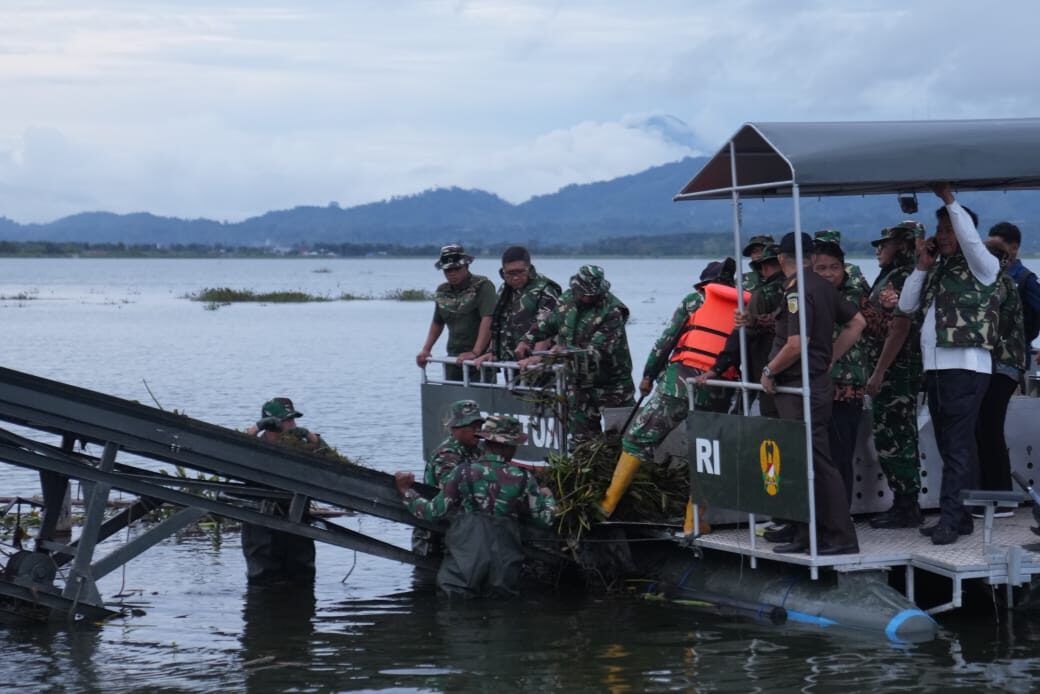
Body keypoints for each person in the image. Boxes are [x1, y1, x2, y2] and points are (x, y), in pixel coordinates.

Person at [599, 258, 745, 529]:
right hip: (718, 390)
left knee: (638, 440)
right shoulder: (744, 308)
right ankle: (695, 522)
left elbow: (664, 341)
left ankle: (606, 506)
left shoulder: (694, 301)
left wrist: (647, 376)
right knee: (706, 453)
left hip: (677, 385)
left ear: (705, 285)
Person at [898, 184, 1000, 546]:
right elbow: (907, 307)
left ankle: (951, 520)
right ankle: (962, 517)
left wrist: (950, 202)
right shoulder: (939, 270)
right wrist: (921, 268)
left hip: (966, 367)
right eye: (938, 230)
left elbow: (972, 243)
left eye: (948, 230)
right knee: (948, 445)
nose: (941, 237)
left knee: (956, 445)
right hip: (938, 369)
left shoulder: (984, 265)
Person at [761, 232, 865, 555]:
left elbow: (796, 343)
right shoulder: (822, 286)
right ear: (809, 255)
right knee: (800, 461)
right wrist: (830, 355)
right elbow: (857, 322)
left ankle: (841, 536)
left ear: (781, 259)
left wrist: (769, 370)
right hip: (813, 382)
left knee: (818, 463)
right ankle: (806, 534)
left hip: (798, 387)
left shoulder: (797, 291)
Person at [395, 415, 557, 599]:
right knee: (501, 614)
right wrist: (549, 498)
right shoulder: (524, 478)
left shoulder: (463, 472)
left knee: (456, 615)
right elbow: (545, 521)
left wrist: (406, 491)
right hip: (502, 573)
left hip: (462, 571)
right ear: (509, 447)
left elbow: (432, 512)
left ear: (485, 442)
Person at [514, 265, 636, 446]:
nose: (586, 298)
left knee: (621, 440)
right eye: (583, 293)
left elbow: (597, 351)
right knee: (582, 442)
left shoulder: (613, 311)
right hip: (578, 385)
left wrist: (554, 354)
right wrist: (528, 340)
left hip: (612, 385)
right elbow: (549, 324)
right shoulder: (566, 300)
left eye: (591, 295)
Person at [862, 221, 926, 530]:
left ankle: (906, 504)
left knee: (895, 436)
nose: (878, 250)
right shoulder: (894, 275)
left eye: (884, 244)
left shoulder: (902, 277)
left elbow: (900, 328)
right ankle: (904, 502)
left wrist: (879, 371)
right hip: (894, 368)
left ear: (901, 245)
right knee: (895, 434)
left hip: (897, 370)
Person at [811, 233, 873, 505]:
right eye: (821, 268)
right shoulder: (806, 294)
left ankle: (840, 519)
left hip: (847, 389)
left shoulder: (857, 295)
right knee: (813, 458)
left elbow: (877, 327)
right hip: (814, 389)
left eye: (833, 267)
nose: (828, 274)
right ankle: (815, 519)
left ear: (843, 267)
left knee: (840, 456)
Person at [241, 397, 327, 582]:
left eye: (293, 420)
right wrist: (257, 427)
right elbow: (234, 451)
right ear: (273, 423)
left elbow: (329, 458)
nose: (293, 425)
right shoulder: (254, 447)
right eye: (288, 421)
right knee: (262, 578)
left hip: (295, 520)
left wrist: (311, 436)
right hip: (260, 525)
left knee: (303, 574)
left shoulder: (299, 448)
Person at [699, 244, 785, 418]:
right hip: (801, 371)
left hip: (767, 369)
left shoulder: (763, 294)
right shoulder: (801, 289)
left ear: (764, 268)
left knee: (773, 421)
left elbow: (744, 334)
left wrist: (717, 368)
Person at [974, 238, 1025, 498]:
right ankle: (990, 492)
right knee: (985, 428)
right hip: (999, 365)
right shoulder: (1002, 281)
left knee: (990, 428)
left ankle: (1000, 496)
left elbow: (992, 326)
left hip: (1002, 366)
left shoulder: (999, 284)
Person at [412, 399, 485, 557]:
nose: (477, 431)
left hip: (459, 530)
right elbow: (453, 491)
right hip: (434, 535)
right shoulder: (447, 455)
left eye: (479, 426)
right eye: (472, 427)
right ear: (456, 428)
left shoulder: (477, 450)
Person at [416, 244, 497, 382]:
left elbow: (488, 319)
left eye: (456, 269)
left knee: (480, 399)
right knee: (452, 399)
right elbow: (438, 321)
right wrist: (426, 349)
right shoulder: (443, 291)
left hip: (480, 361)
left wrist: (475, 352)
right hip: (454, 358)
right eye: (447, 270)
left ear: (466, 266)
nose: (452, 274)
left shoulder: (483, 286)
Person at [476, 246, 562, 366]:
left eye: (520, 272)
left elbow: (547, 326)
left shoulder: (545, 289)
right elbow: (498, 324)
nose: (515, 277)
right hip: (511, 361)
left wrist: (536, 357)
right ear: (503, 272)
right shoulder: (504, 290)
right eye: (510, 273)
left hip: (538, 363)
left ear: (529, 269)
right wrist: (493, 352)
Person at [988, 221, 1040, 368]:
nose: (992, 252)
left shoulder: (1026, 279)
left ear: (1014, 248)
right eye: (990, 248)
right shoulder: (989, 276)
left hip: (1013, 358)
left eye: (997, 248)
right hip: (987, 355)